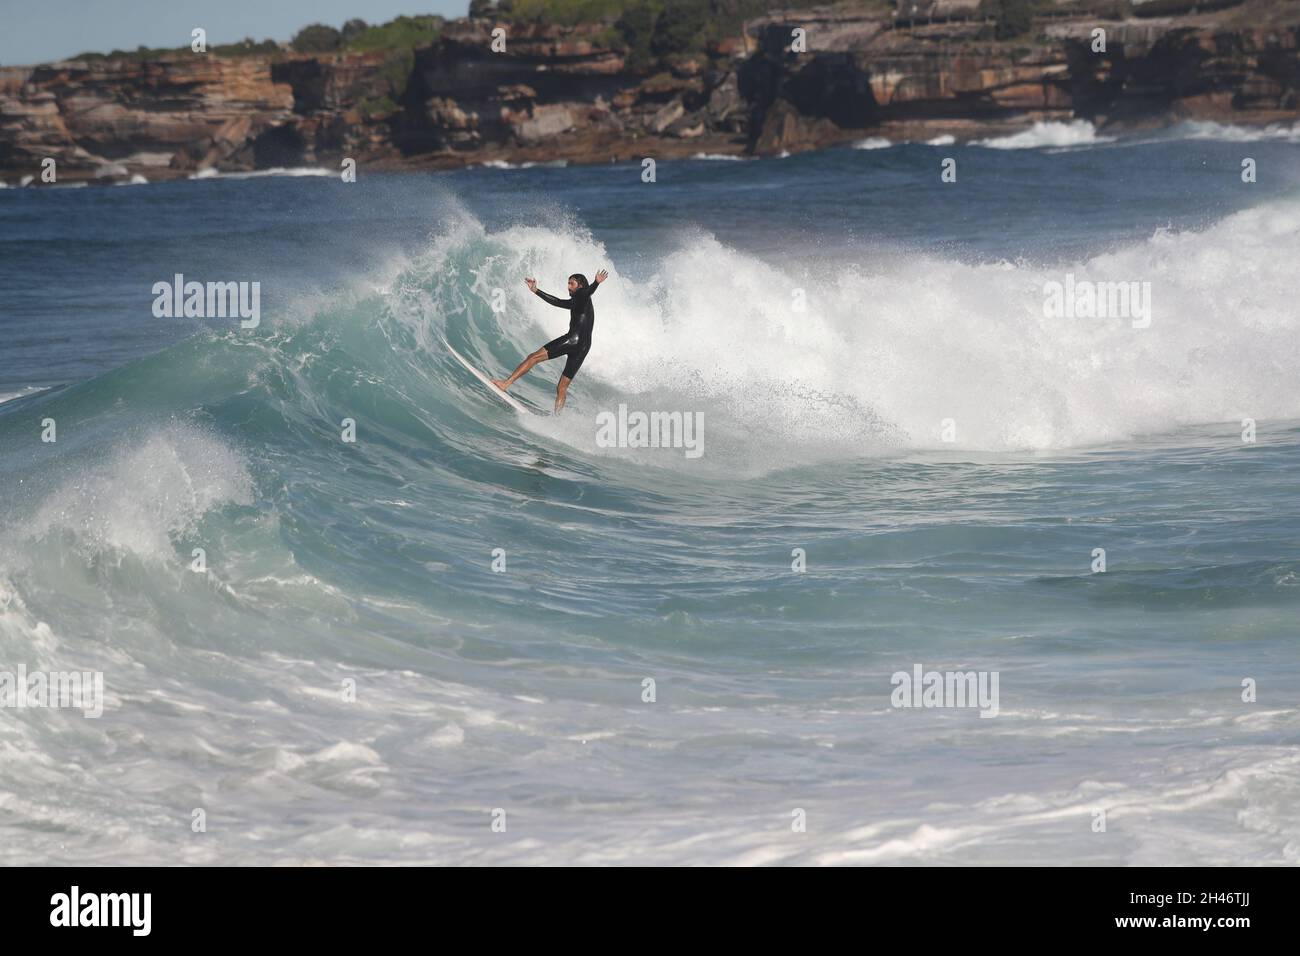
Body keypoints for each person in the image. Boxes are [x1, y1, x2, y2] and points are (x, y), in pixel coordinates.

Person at [492, 269, 609, 413]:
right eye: (568, 283)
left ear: (580, 286)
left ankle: (505, 383)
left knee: (533, 357)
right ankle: (557, 417)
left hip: (572, 340)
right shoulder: (578, 301)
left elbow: (587, 292)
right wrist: (536, 291)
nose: (568, 286)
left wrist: (596, 283)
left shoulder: (582, 295)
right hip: (584, 347)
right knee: (562, 387)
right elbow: (558, 302)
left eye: (571, 284)